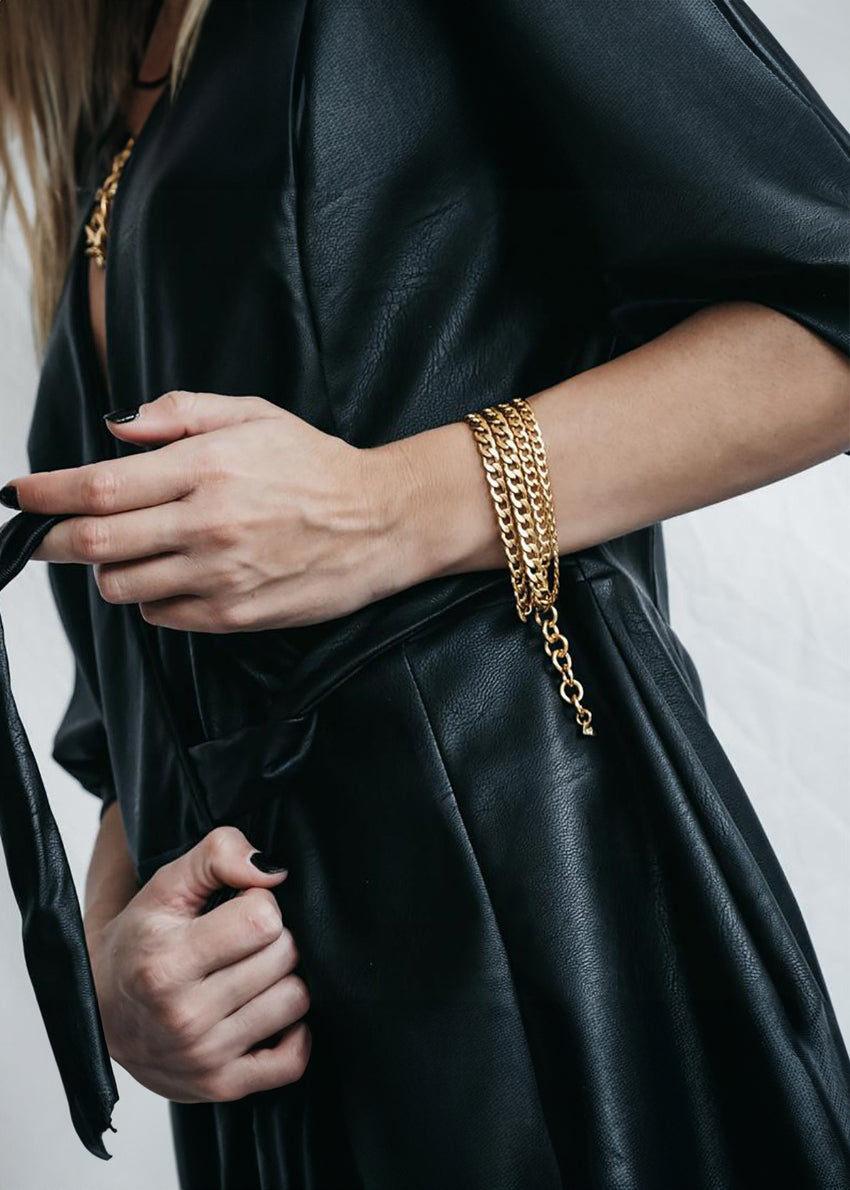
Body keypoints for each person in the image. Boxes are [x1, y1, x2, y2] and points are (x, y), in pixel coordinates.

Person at [1, 0, 849, 1186]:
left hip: (528, 952)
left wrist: (385, 506)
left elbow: (828, 305)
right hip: (276, 1053)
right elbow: (134, 684)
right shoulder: (112, 86)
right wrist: (120, 955)